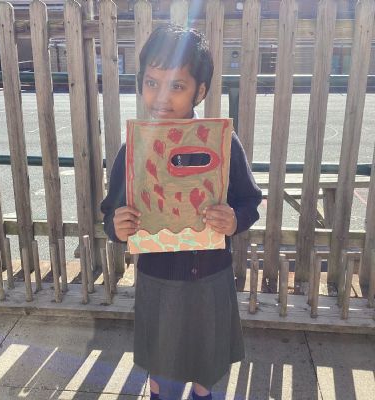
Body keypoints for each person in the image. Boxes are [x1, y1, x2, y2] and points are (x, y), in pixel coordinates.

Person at [101, 24, 262, 400]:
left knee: (208, 373)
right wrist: (117, 226)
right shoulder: (134, 150)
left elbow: (250, 201)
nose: (161, 96)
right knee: (164, 377)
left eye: (176, 85)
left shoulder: (221, 143)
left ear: (199, 91)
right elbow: (110, 212)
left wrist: (234, 219)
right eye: (152, 82)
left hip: (212, 280)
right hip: (159, 284)